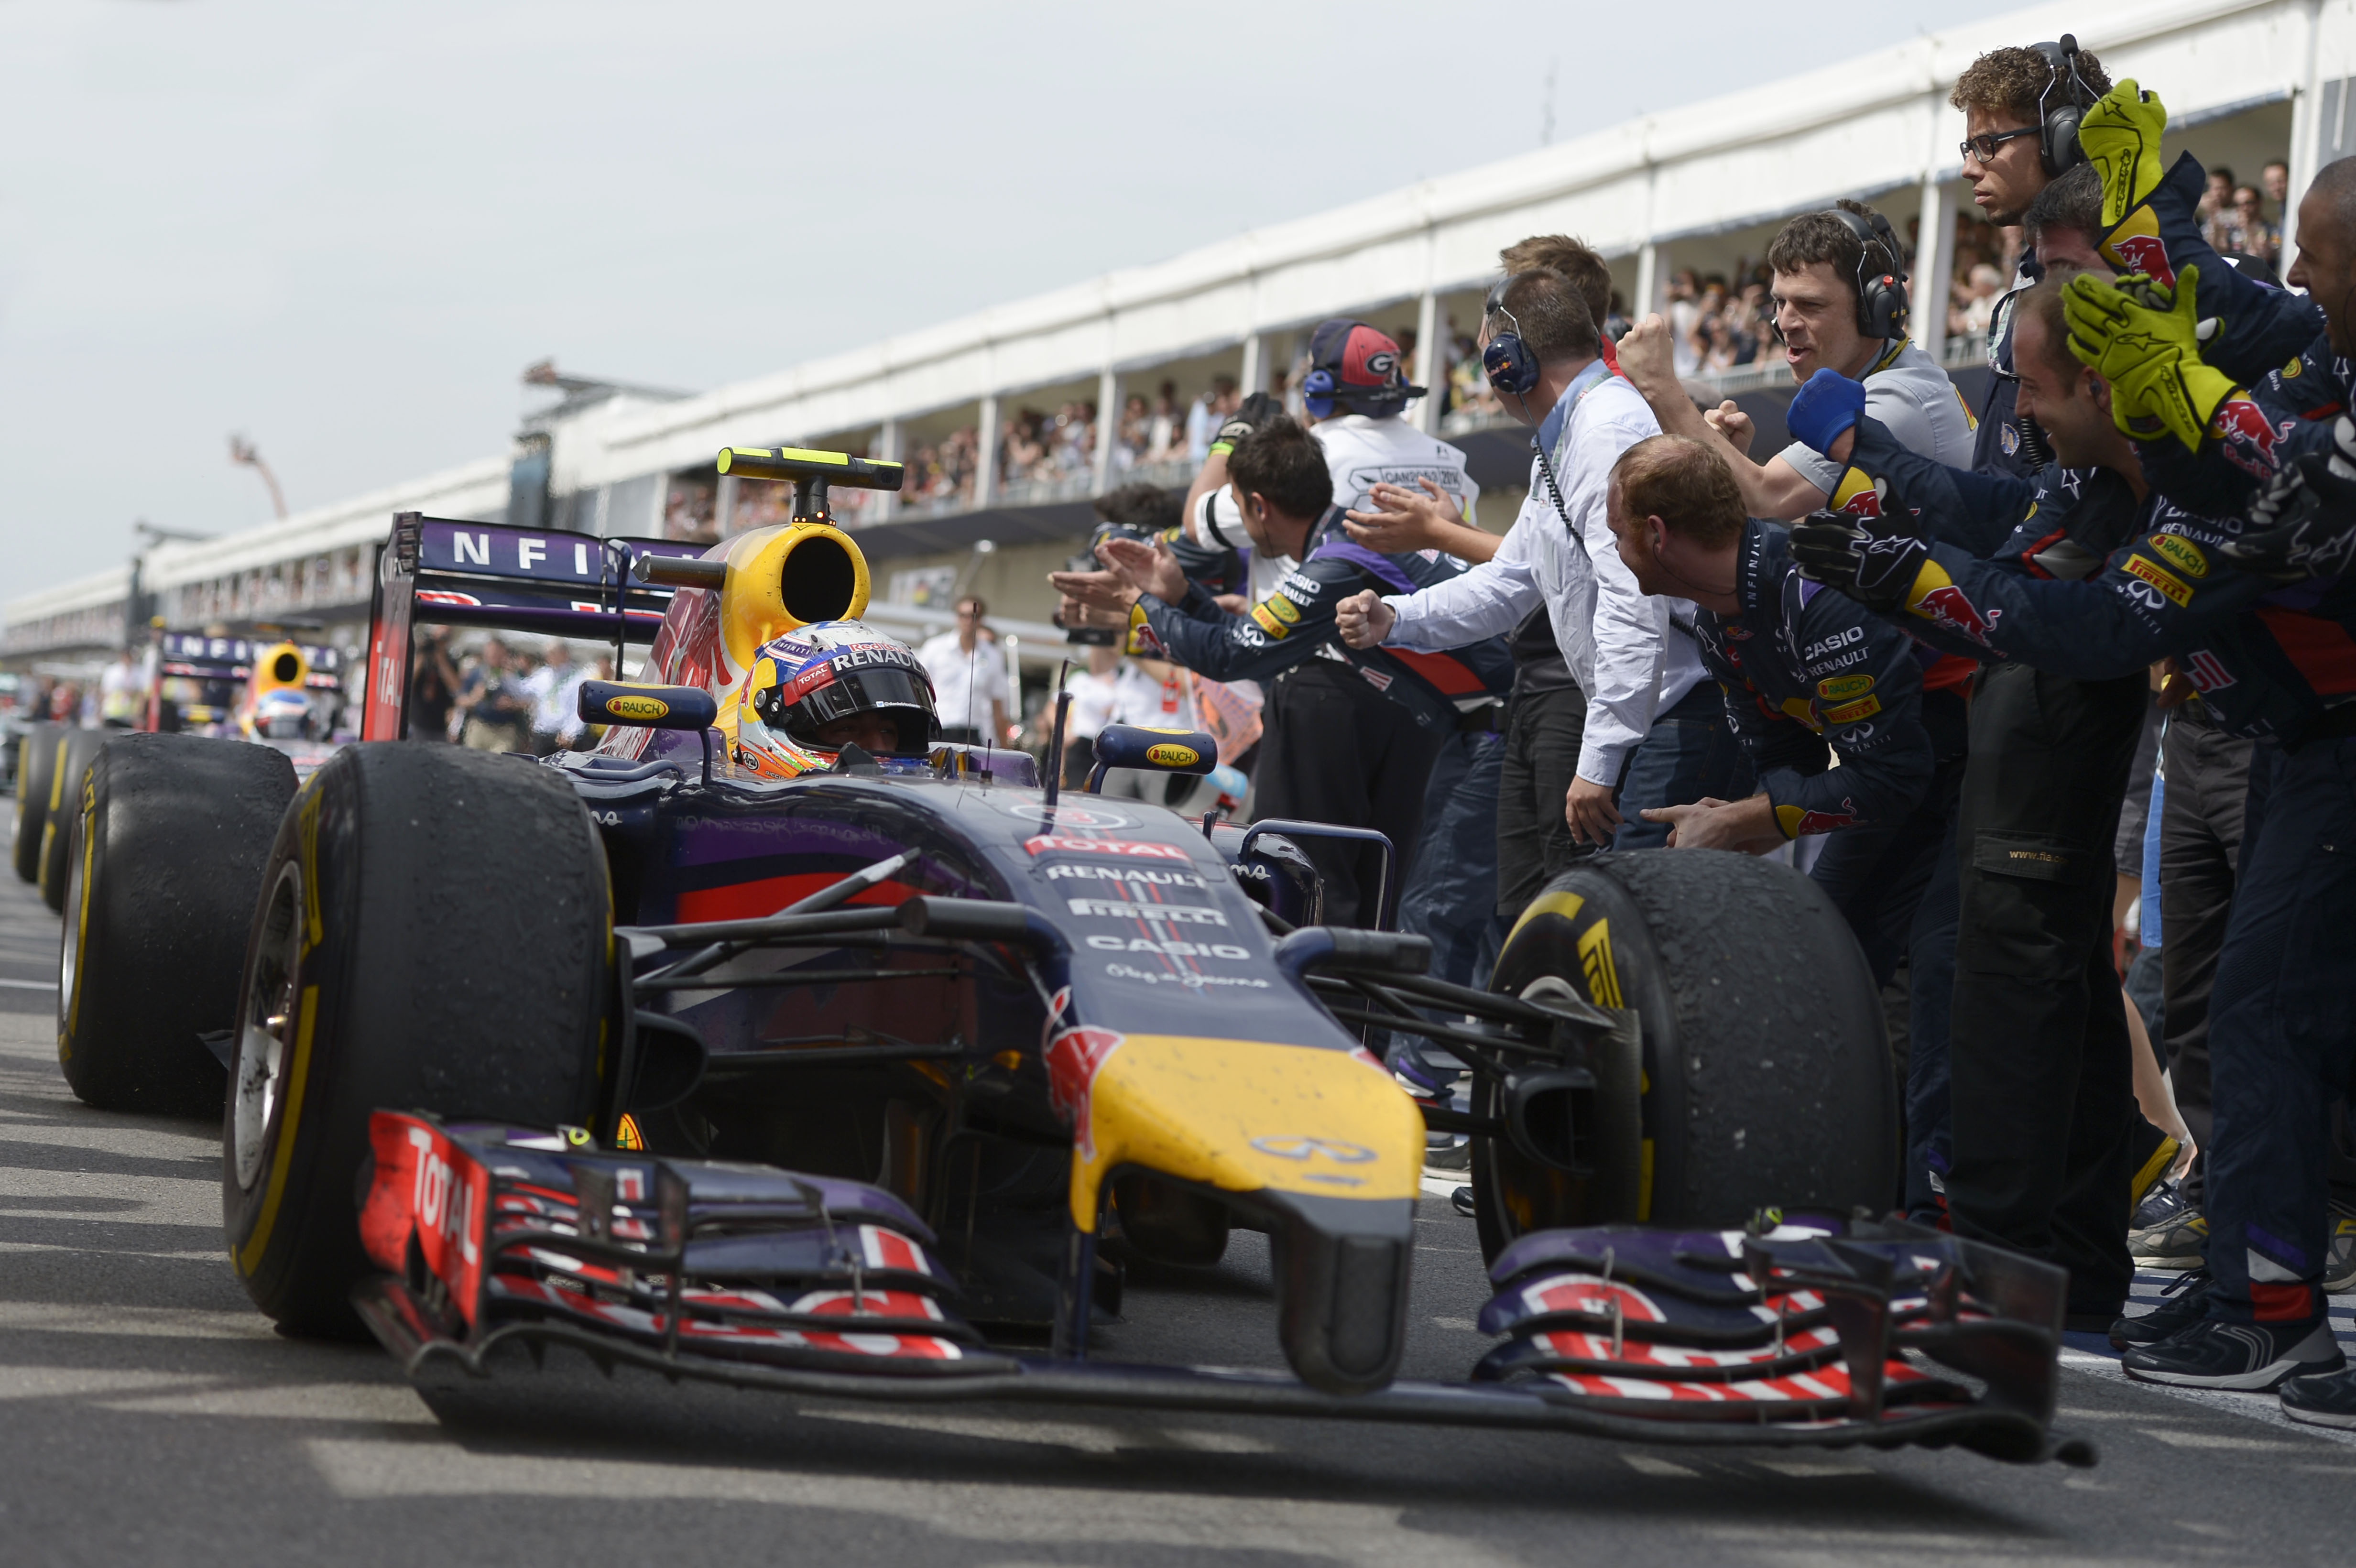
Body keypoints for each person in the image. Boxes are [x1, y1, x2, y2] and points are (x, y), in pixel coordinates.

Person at [1052, 416, 1513, 929]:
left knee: (1432, 913)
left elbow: (1233, 655)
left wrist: (1136, 602)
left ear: (1257, 506)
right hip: (1477, 730)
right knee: (1406, 905)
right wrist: (1179, 595)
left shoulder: (1336, 561)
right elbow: (1252, 641)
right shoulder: (1346, 537)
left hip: (1494, 734)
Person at [1337, 268, 1736, 854]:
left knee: (1640, 929)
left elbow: (1634, 607)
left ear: (1508, 364)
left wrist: (1597, 760)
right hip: (1658, 719)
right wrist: (1394, 619)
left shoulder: (1604, 431)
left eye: (1485, 362)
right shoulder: (1572, 432)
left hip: (1681, 719)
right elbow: (1509, 582)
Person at [1604, 434, 1961, 995]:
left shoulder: (1815, 591)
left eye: (1615, 535)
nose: (1615, 553)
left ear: (1656, 534)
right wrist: (1740, 824)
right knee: (1824, 957)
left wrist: (1735, 822)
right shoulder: (1716, 624)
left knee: (1942, 965)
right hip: (1907, 770)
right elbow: (1784, 760)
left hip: (1982, 758)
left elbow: (1891, 773)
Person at [1616, 200, 1975, 519]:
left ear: (1875, 309)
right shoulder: (1880, 376)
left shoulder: (1897, 397)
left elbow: (1767, 497)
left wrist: (1657, 384)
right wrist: (1729, 461)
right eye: (1780, 302)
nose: (1784, 323)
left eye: (1810, 305)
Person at [1943, 42, 2115, 476]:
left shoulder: (2107, 279)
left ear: (2066, 142)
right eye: (1968, 146)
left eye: (1986, 144)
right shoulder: (2033, 270)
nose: (1969, 167)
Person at [916, 595, 1007, 745]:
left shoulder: (993, 655)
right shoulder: (935, 648)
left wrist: (1005, 748)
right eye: (963, 616)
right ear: (956, 617)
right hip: (938, 729)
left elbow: (998, 705)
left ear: (981, 620)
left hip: (972, 735)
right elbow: (919, 689)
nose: (968, 621)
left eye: (973, 616)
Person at [455, 637, 531, 752]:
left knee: (497, 764)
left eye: (497, 653)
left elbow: (529, 703)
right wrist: (475, 698)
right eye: (490, 653)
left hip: (505, 731)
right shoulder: (476, 673)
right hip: (480, 727)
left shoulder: (514, 676)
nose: (493, 656)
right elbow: (460, 701)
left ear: (504, 653)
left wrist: (512, 704)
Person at [521, 640, 578, 755]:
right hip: (542, 734)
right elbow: (522, 690)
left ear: (564, 654)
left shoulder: (577, 678)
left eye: (552, 654)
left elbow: (577, 710)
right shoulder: (543, 675)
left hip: (562, 737)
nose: (548, 658)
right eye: (547, 654)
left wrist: (570, 732)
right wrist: (507, 677)